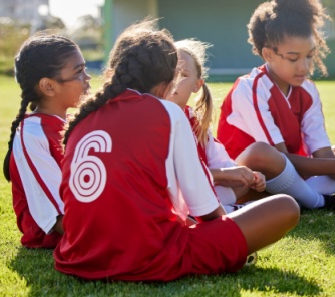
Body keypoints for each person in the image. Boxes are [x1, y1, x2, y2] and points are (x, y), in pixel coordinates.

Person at [54, 21, 299, 281]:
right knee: (285, 207)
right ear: (167, 82)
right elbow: (206, 211)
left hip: (78, 256)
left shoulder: (81, 119)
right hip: (146, 257)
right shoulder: (167, 112)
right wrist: (230, 238)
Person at [217, 0, 335, 211]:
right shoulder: (250, 88)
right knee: (264, 155)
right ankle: (320, 202)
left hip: (292, 176)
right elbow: (279, 159)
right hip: (249, 180)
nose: (304, 66)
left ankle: (301, 196)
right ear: (268, 54)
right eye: (293, 58)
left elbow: (321, 151)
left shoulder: (307, 90)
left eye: (309, 56)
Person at [171, 38, 304, 211]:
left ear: (197, 85)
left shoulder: (195, 121)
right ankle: (230, 212)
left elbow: (218, 159)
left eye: (183, 75)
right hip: (176, 198)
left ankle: (231, 209)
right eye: (169, 73)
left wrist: (242, 173)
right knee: (280, 205)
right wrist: (222, 174)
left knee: (246, 182)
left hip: (204, 191)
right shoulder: (155, 121)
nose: (173, 80)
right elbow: (175, 176)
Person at [3, 33, 91, 249]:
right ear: (49, 87)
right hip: (58, 235)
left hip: (88, 219)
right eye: (79, 72)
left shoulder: (75, 123)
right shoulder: (33, 133)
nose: (88, 78)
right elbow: (59, 218)